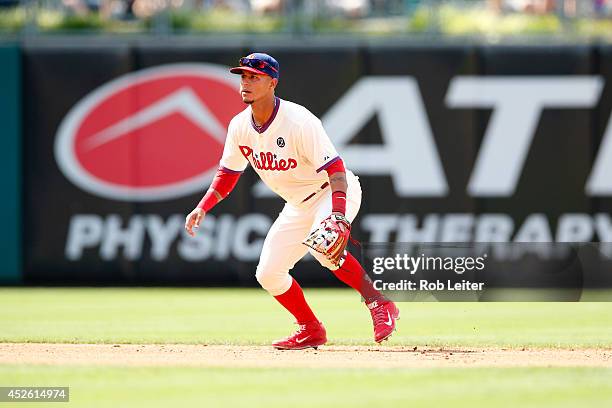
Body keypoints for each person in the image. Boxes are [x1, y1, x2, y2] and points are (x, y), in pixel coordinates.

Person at [184, 53, 399, 350]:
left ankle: (379, 303)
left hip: (331, 191)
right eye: (243, 76)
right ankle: (311, 328)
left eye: (254, 77)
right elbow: (228, 173)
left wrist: (337, 215)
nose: (245, 82)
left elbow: (335, 170)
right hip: (298, 204)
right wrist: (203, 206)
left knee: (325, 248)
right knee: (268, 273)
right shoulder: (239, 126)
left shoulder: (298, 121)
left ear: (272, 83)